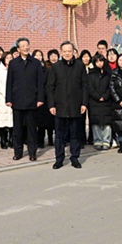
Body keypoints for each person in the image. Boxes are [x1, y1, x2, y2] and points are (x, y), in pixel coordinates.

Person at [47, 41, 88, 169]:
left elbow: (85, 86)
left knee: (75, 134)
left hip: (75, 106)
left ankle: (75, 158)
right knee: (59, 135)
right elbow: (50, 87)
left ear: (73, 52)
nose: (67, 54)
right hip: (59, 106)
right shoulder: (56, 67)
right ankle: (59, 158)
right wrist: (51, 105)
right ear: (61, 52)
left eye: (69, 51)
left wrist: (84, 103)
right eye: (64, 51)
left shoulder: (80, 66)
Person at [88, 54, 113, 150]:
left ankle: (106, 141)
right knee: (96, 122)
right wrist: (98, 97)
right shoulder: (90, 75)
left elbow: (111, 86)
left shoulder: (108, 73)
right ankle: (97, 140)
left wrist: (105, 96)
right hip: (95, 102)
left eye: (101, 61)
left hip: (107, 101)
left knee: (107, 122)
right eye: (97, 61)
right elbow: (90, 88)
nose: (99, 63)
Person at [34, 50, 54, 149]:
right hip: (36, 98)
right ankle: (40, 141)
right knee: (39, 123)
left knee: (49, 121)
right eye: (36, 55)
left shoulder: (46, 69)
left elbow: (49, 84)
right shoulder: (32, 68)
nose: (38, 57)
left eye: (40, 55)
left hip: (46, 98)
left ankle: (50, 139)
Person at [0, 55, 13, 149]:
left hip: (14, 97)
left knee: (12, 120)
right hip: (2, 97)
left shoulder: (14, 69)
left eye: (11, 57)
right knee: (2, 120)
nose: (9, 59)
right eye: (7, 57)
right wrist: (7, 94)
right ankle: (3, 140)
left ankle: (11, 140)